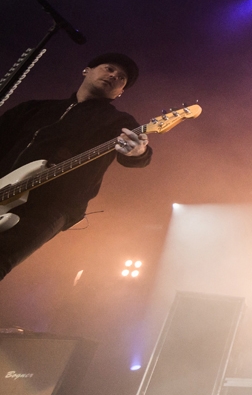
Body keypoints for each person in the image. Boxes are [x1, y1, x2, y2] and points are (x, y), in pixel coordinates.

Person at [0, 53, 151, 280]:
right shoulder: (33, 109)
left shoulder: (119, 122)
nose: (114, 76)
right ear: (86, 70)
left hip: (53, 206)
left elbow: (139, 157)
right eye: (109, 69)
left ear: (120, 92)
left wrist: (138, 152)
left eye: (121, 78)